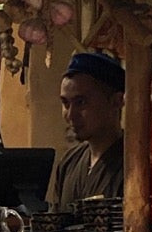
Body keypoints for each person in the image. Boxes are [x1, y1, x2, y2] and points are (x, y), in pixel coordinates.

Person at [51, 49, 125, 211]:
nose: (71, 115)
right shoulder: (69, 162)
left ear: (116, 101)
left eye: (81, 102)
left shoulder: (134, 162)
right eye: (66, 103)